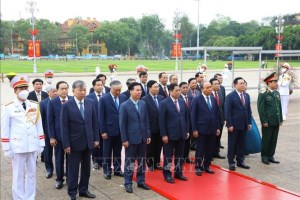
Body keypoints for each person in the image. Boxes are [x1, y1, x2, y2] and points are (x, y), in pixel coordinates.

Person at [1, 75, 45, 200]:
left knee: (32, 174)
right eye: (20, 88)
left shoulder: (34, 105)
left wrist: (41, 143)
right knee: (18, 175)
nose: (24, 90)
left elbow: (39, 125)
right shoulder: (8, 107)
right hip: (17, 146)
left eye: (25, 87)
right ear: (15, 91)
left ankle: (30, 197)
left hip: (32, 144)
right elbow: (4, 130)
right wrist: (6, 148)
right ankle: (19, 198)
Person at [61, 80, 100, 200]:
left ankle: (84, 190)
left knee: (86, 169)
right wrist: (66, 144)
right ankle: (72, 193)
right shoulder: (67, 105)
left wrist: (96, 139)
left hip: (88, 142)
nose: (83, 92)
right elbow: (64, 126)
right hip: (73, 144)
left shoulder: (90, 102)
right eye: (80, 90)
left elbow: (94, 122)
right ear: (73, 91)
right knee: (73, 170)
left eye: (84, 90)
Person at [119, 82, 151, 193]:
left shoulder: (143, 104)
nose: (139, 92)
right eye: (137, 90)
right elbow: (122, 124)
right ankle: (128, 183)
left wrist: (148, 134)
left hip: (142, 138)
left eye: (140, 90)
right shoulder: (124, 106)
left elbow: (146, 120)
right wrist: (124, 139)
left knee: (142, 161)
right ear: (131, 91)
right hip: (131, 139)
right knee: (130, 162)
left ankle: (141, 181)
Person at [159, 83, 190, 183]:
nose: (178, 92)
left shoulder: (181, 101)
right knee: (168, 156)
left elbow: (186, 117)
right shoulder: (164, 103)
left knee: (180, 155)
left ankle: (178, 172)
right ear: (170, 91)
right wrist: (164, 134)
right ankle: (167, 174)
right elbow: (162, 120)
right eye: (176, 90)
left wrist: (187, 130)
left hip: (181, 134)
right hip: (169, 135)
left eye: (179, 90)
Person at [191, 81, 220, 176]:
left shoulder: (213, 98)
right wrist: (194, 129)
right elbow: (193, 115)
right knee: (200, 149)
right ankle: (198, 167)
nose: (210, 89)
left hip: (212, 129)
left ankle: (206, 166)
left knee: (210, 149)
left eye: (210, 87)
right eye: (207, 88)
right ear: (202, 89)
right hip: (201, 129)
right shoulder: (196, 99)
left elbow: (216, 114)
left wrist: (217, 127)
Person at [99, 80, 127, 180]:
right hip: (108, 130)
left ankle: (118, 169)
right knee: (107, 152)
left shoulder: (123, 97)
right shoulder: (104, 99)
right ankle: (107, 171)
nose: (118, 92)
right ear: (111, 88)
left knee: (118, 151)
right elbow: (101, 116)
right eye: (116, 90)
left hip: (120, 130)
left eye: (120, 90)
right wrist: (103, 131)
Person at [48, 81, 72, 189]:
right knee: (59, 158)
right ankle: (59, 179)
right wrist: (52, 137)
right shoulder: (52, 102)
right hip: (58, 136)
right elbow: (50, 121)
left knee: (71, 159)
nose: (64, 91)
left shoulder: (72, 100)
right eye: (62, 89)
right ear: (57, 90)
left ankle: (70, 178)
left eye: (66, 88)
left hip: (72, 136)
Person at [225, 77, 252, 171]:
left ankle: (240, 161)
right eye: (241, 83)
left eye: (244, 83)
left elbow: (248, 110)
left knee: (242, 144)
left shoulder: (246, 95)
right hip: (234, 125)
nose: (243, 85)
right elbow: (227, 112)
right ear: (235, 85)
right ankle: (231, 162)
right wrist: (229, 124)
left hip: (244, 124)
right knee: (232, 144)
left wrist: (249, 122)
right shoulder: (230, 96)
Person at [257, 72, 283, 165]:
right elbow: (261, 109)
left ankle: (271, 156)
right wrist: (264, 121)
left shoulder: (276, 93)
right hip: (268, 121)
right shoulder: (263, 94)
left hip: (275, 120)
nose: (276, 83)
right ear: (269, 82)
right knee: (266, 139)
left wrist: (280, 119)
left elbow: (279, 107)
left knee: (273, 139)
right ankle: (264, 156)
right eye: (274, 81)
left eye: (276, 81)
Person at [142, 80, 164, 171]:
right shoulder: (144, 99)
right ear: (149, 88)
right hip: (150, 128)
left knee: (159, 147)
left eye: (158, 87)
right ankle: (150, 163)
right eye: (155, 87)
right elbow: (144, 116)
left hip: (160, 127)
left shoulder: (161, 98)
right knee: (150, 148)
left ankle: (157, 162)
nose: (157, 89)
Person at [40, 84, 58, 179]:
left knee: (59, 153)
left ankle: (60, 170)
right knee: (48, 152)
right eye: (53, 91)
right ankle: (49, 169)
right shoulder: (43, 103)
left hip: (59, 132)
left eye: (56, 91)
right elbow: (42, 119)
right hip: (47, 132)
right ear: (48, 93)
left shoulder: (61, 101)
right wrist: (42, 133)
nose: (55, 93)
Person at [86, 79, 104, 170]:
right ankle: (96, 161)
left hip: (104, 124)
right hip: (94, 124)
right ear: (94, 86)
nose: (100, 87)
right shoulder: (89, 97)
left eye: (101, 85)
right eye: (98, 85)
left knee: (104, 144)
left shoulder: (106, 96)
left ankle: (103, 160)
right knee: (95, 144)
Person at [209, 78, 226, 159]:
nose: (217, 85)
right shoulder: (209, 94)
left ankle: (216, 152)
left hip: (220, 118)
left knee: (218, 137)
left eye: (218, 84)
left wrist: (224, 118)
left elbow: (222, 106)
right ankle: (210, 153)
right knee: (211, 137)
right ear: (211, 85)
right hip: (212, 120)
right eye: (215, 84)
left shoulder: (220, 92)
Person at [179, 82, 194, 163]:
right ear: (180, 89)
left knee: (188, 141)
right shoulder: (178, 98)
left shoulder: (191, 97)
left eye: (186, 87)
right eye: (183, 88)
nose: (185, 89)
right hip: (181, 123)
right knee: (182, 142)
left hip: (190, 122)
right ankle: (180, 158)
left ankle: (186, 157)